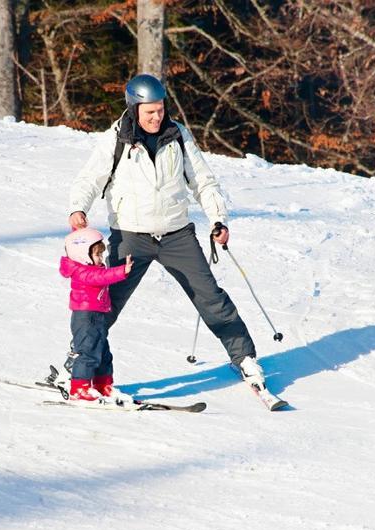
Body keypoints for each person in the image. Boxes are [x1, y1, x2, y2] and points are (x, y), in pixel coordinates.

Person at [66, 73, 265, 387]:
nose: (157, 117)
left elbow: (203, 181)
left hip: (176, 235)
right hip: (131, 236)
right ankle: (79, 364)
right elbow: (89, 179)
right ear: (134, 109)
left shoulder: (178, 136)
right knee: (104, 305)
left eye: (160, 109)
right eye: (150, 112)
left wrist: (218, 219)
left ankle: (245, 359)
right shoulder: (116, 138)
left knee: (211, 298)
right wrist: (79, 207)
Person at [59, 227, 135, 403]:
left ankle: (103, 385)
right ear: (82, 255)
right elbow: (99, 277)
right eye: (97, 255)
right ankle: (79, 389)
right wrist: (121, 271)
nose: (101, 259)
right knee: (88, 353)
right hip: (85, 317)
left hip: (98, 316)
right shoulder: (82, 271)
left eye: (101, 255)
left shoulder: (91, 268)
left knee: (103, 353)